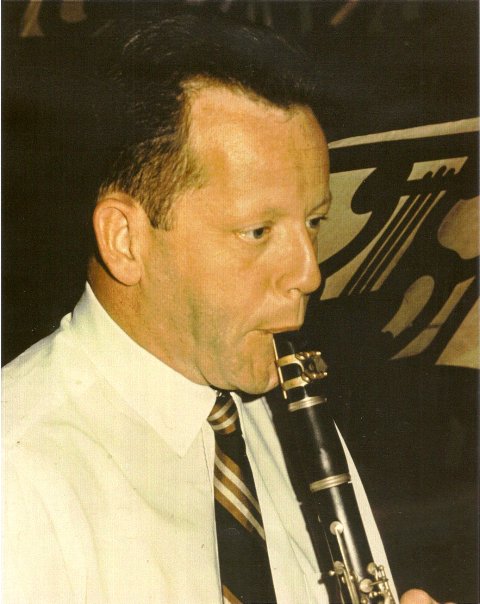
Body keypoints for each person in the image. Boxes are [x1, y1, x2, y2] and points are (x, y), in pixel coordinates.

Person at [3, 13, 444, 604]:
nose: (309, 271)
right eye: (258, 230)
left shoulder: (286, 420)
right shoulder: (19, 475)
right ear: (125, 240)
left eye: (314, 221)